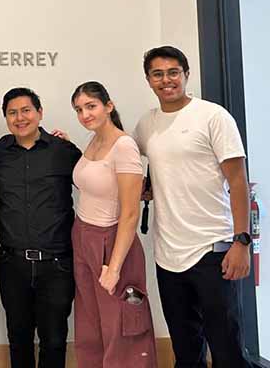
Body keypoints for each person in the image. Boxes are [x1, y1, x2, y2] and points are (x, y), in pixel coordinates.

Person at [133, 46, 253, 368]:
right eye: (157, 74)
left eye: (173, 72)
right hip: (168, 254)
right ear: (148, 80)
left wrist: (242, 241)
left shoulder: (213, 117)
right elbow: (128, 158)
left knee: (227, 348)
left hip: (212, 248)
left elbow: (238, 182)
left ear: (186, 75)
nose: (166, 80)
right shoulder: (147, 124)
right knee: (186, 351)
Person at [0, 87, 81, 368]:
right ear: (6, 118)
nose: (20, 117)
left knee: (54, 341)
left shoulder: (63, 151)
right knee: (18, 339)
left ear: (40, 113)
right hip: (12, 264)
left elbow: (95, 178)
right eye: (12, 113)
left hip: (57, 265)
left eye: (26, 110)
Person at [70, 81, 157, 367]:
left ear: (109, 106)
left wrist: (115, 266)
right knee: (90, 326)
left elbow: (130, 212)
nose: (85, 114)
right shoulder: (93, 141)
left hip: (113, 240)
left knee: (121, 325)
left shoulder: (124, 146)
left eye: (91, 106)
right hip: (83, 235)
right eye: (79, 109)